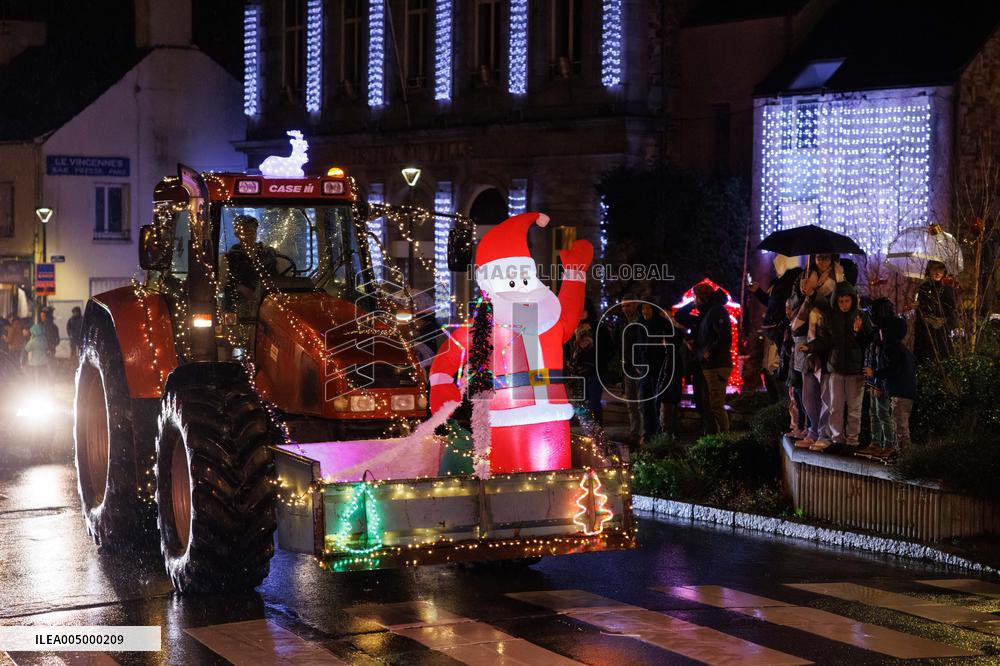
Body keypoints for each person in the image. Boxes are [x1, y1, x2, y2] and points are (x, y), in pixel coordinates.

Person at [803, 282, 872, 452]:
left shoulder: (861, 317)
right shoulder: (830, 318)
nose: (843, 305)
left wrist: (858, 332)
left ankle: (852, 441)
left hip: (856, 371)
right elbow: (824, 340)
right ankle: (837, 440)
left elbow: (868, 341)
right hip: (836, 368)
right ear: (836, 301)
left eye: (846, 301)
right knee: (835, 407)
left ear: (852, 300)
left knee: (854, 408)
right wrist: (810, 347)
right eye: (840, 301)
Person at [678, 283, 732, 433]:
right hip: (706, 364)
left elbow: (724, 337)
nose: (693, 301)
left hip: (715, 364)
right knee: (705, 403)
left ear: (701, 297)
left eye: (694, 297)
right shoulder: (705, 313)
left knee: (714, 404)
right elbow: (680, 316)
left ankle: (722, 437)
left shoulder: (716, 311)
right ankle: (714, 435)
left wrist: (709, 351)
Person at [749, 255, 802, 402]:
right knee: (770, 368)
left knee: (779, 367)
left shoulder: (793, 281)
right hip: (772, 330)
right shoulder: (778, 282)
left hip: (781, 331)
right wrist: (758, 292)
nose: (774, 266)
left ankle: (782, 404)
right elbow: (773, 303)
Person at [873, 316, 917, 452]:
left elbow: (893, 367)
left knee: (899, 424)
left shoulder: (890, 347)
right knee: (900, 423)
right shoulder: (904, 349)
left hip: (900, 391)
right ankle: (901, 452)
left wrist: (875, 373)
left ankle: (904, 454)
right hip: (907, 391)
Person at [859, 298, 895, 455]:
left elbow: (884, 361)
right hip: (873, 379)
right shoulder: (876, 333)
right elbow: (866, 349)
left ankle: (889, 444)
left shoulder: (886, 335)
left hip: (879, 380)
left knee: (882, 412)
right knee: (874, 412)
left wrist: (879, 382)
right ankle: (875, 442)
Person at [224, 214, 278, 317]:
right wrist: (241, 288)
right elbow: (227, 282)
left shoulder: (267, 253)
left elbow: (276, 277)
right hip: (241, 304)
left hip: (267, 301)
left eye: (253, 230)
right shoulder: (233, 256)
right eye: (246, 230)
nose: (251, 234)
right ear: (237, 234)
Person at [636, 301, 670, 443]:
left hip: (658, 368)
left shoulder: (662, 323)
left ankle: (659, 432)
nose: (645, 311)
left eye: (648, 308)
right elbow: (637, 344)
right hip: (645, 369)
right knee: (645, 402)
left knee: (657, 402)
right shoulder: (640, 324)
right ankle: (648, 432)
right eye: (643, 309)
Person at [913, 260, 958, 364]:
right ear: (929, 270)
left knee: (940, 357)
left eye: (941, 269)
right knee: (924, 358)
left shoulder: (946, 289)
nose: (937, 273)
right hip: (924, 330)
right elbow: (920, 308)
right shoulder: (923, 288)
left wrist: (928, 307)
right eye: (934, 269)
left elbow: (948, 309)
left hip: (941, 330)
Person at [655, 308, 684, 439]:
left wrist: (660, 389)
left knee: (666, 414)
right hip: (671, 387)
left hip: (668, 389)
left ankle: (667, 438)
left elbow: (668, 373)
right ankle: (671, 435)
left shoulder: (671, 354)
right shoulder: (672, 354)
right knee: (670, 413)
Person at [617, 298, 642, 442]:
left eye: (628, 305)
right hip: (627, 366)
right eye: (623, 306)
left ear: (635, 305)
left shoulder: (639, 321)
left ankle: (642, 432)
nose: (625, 309)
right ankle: (635, 431)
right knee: (631, 402)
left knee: (640, 402)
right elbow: (618, 343)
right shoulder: (622, 322)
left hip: (638, 366)